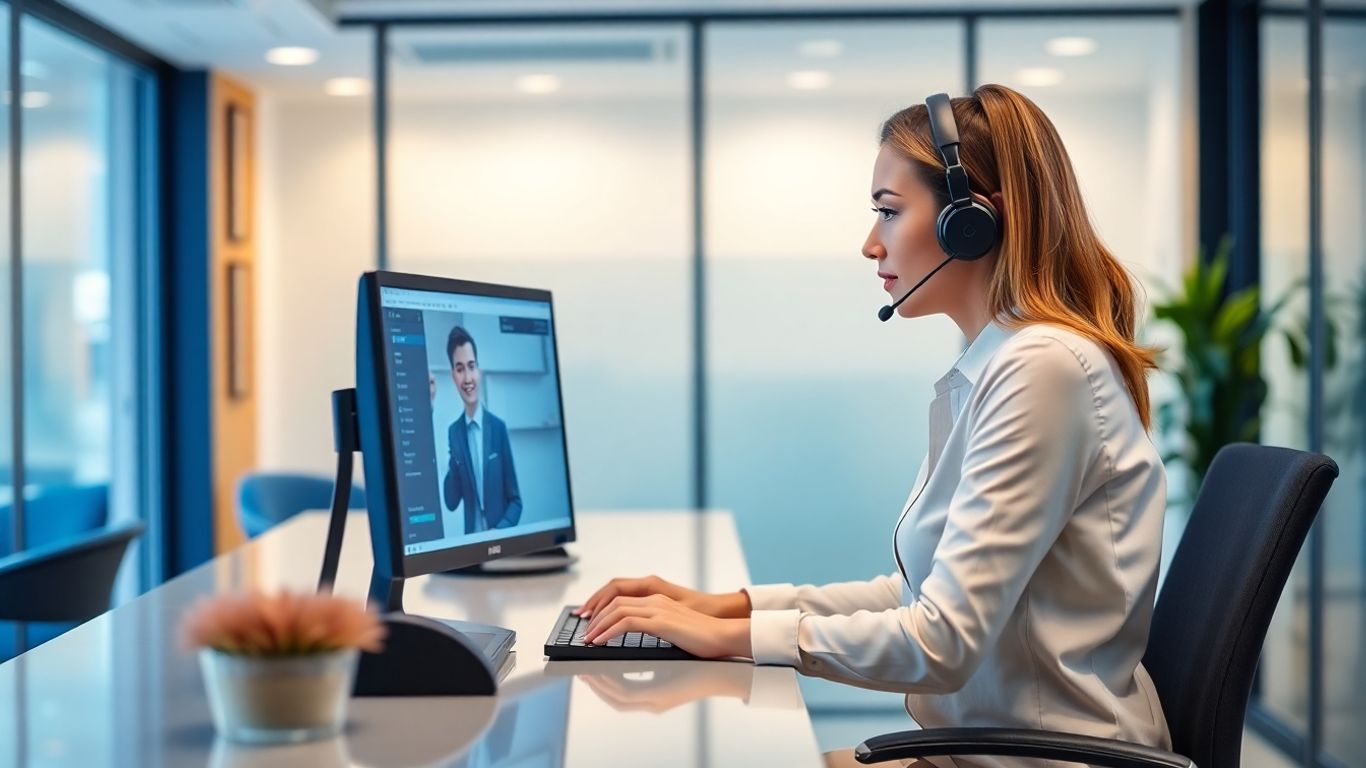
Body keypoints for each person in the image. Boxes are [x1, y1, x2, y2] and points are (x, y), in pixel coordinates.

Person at [572, 84, 1171, 767]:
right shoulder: (1002, 366)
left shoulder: (1042, 370)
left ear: (972, 221)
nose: (869, 243)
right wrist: (723, 609)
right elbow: (917, 591)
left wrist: (737, 637)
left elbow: (940, 644)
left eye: (888, 212)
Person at [441, 325, 522, 533]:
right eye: (460, 369)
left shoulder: (498, 428)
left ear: (479, 370)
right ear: (453, 376)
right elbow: (451, 501)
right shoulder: (454, 433)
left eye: (471, 366)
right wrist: (454, 457)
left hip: (500, 546)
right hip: (472, 552)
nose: (467, 378)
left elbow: (515, 502)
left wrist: (499, 533)